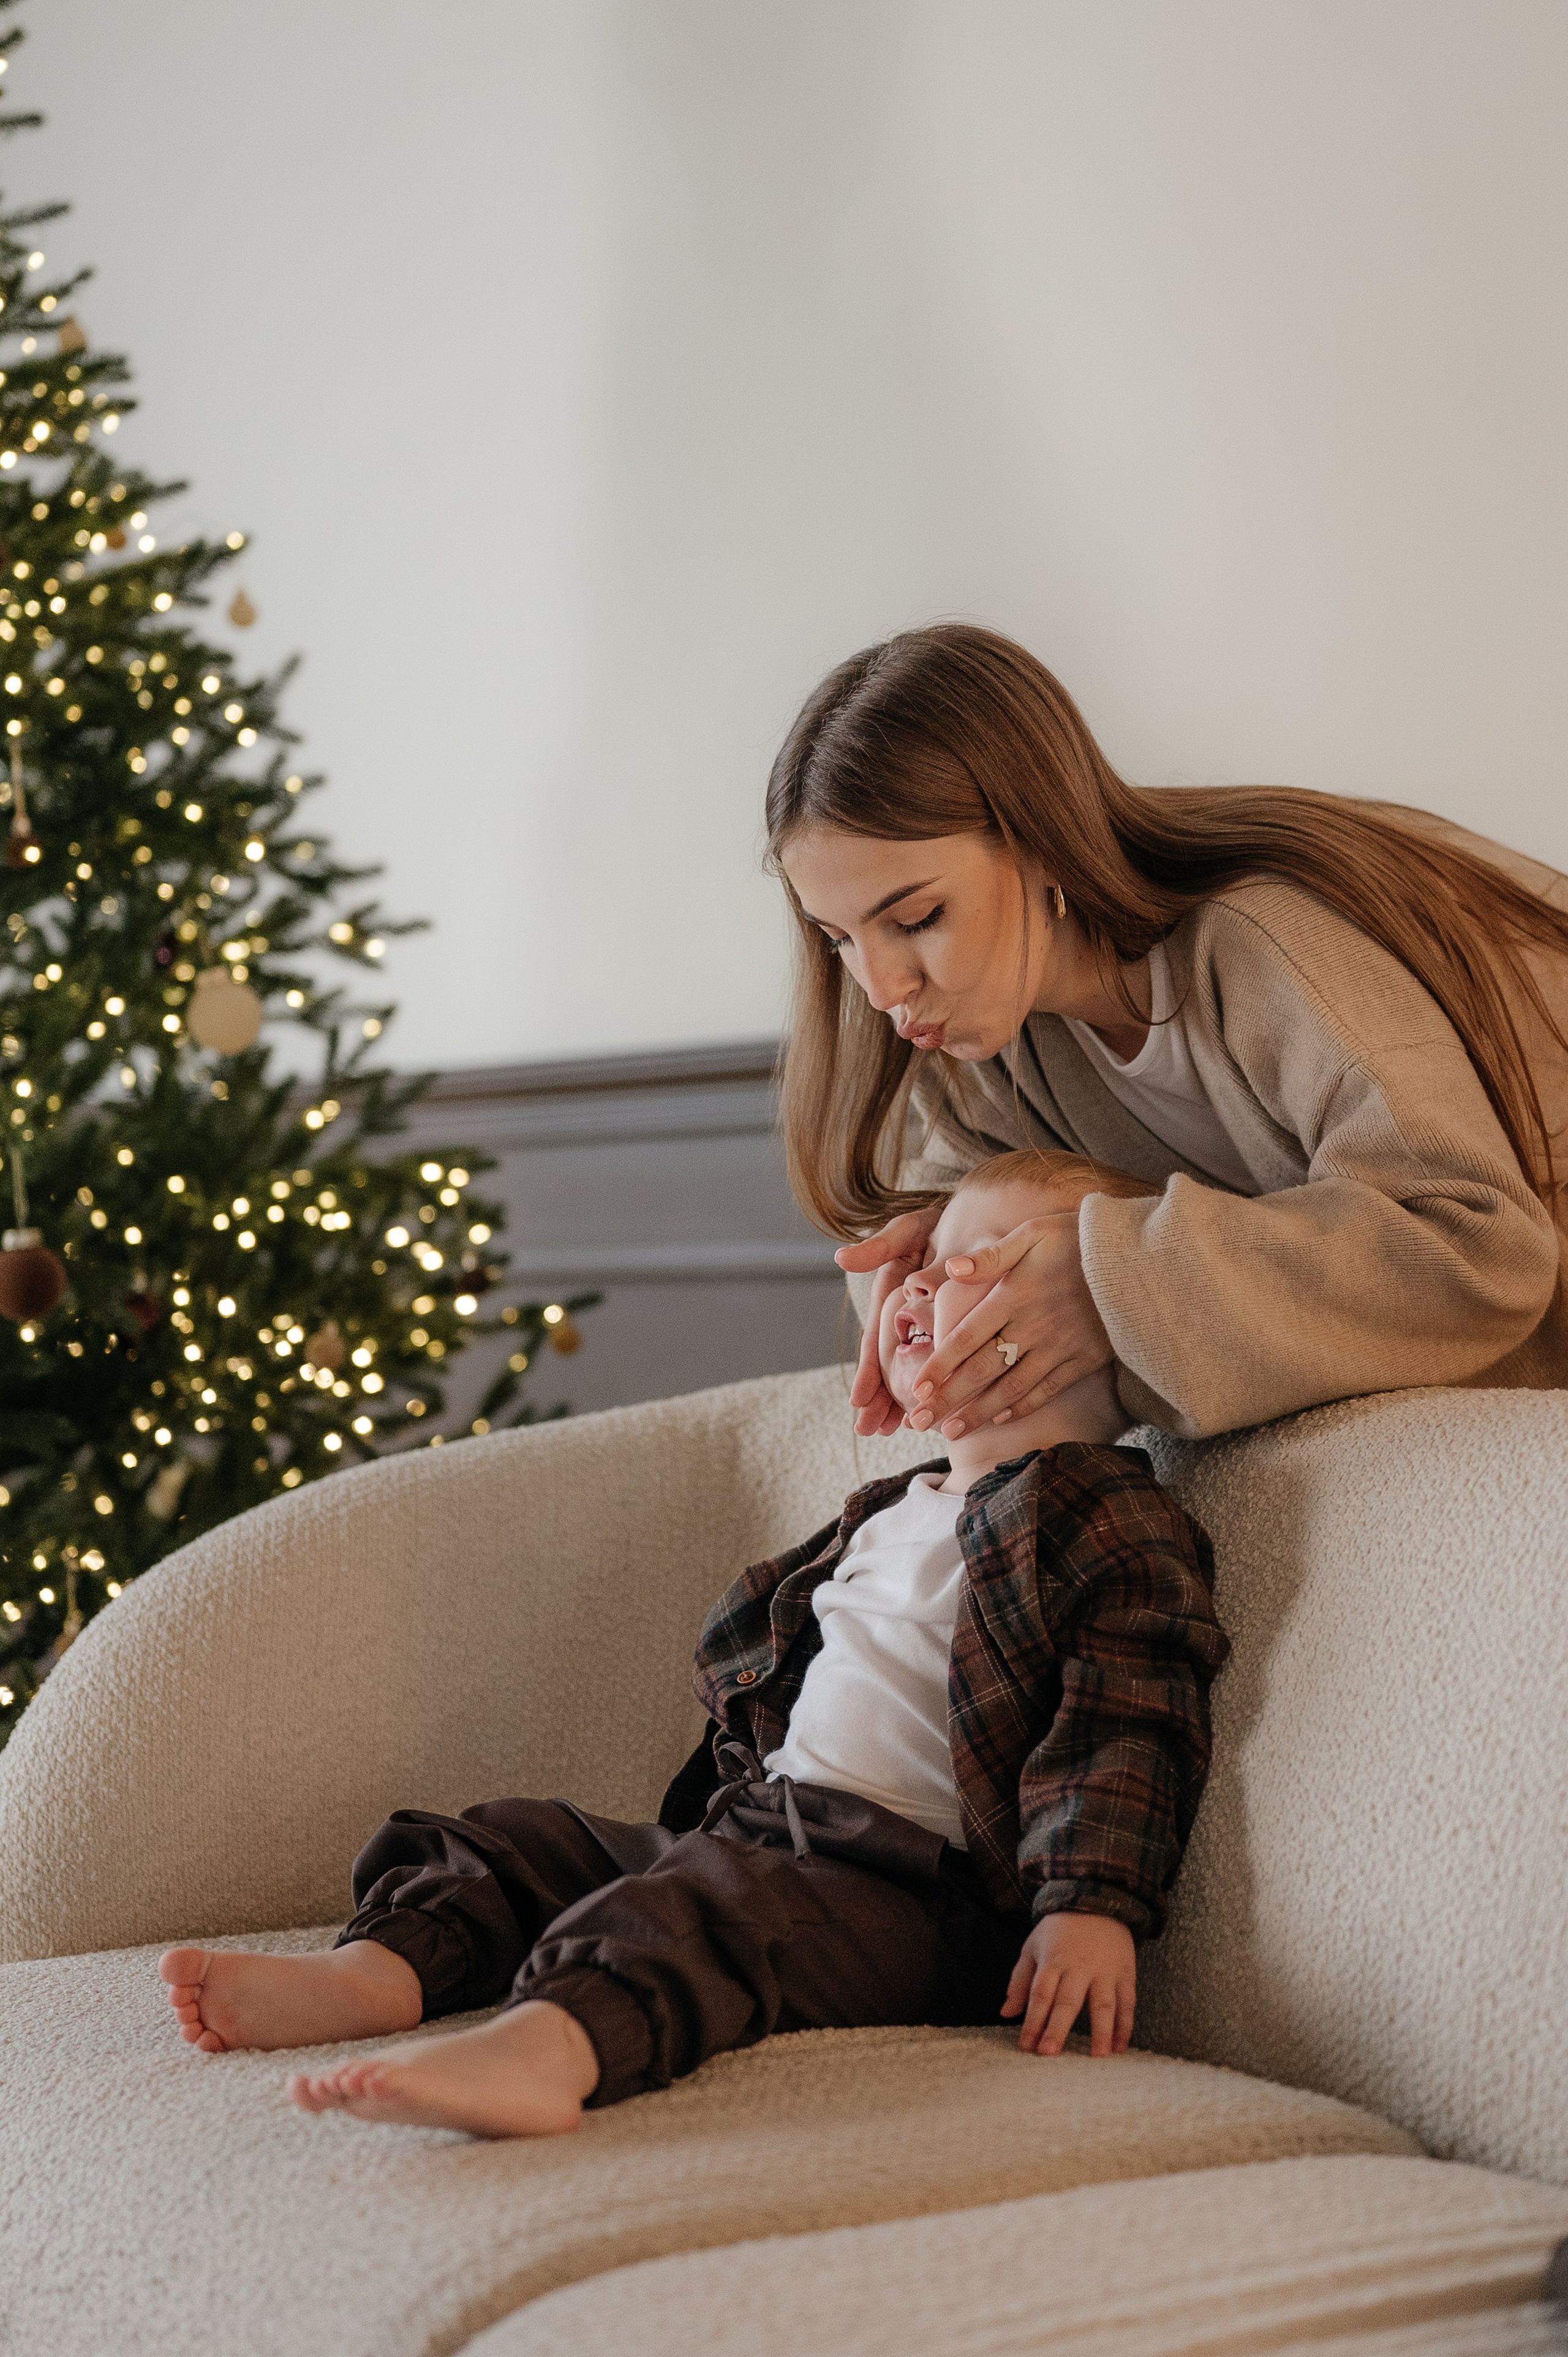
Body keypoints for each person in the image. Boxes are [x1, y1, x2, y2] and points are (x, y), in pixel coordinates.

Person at [156, 1149, 1228, 2140]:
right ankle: (378, 1978)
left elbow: (1130, 1717)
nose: (909, 1289)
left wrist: (1089, 1905)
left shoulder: (1101, 1516)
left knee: (693, 1914)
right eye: (918, 1264)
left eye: (962, 1268)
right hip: (768, 1830)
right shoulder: (889, 1508)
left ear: (1063, 1326)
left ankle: (550, 2051)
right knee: (519, 1839)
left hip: (919, 1898)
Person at [767, 623, 1568, 1445]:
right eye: (838, 939)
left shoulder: (1266, 944)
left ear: (1041, 841)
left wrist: (1110, 1287)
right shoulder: (984, 1044)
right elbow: (939, 1244)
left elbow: (1479, 1252)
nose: (882, 989)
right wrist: (927, 1273)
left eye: (916, 917)